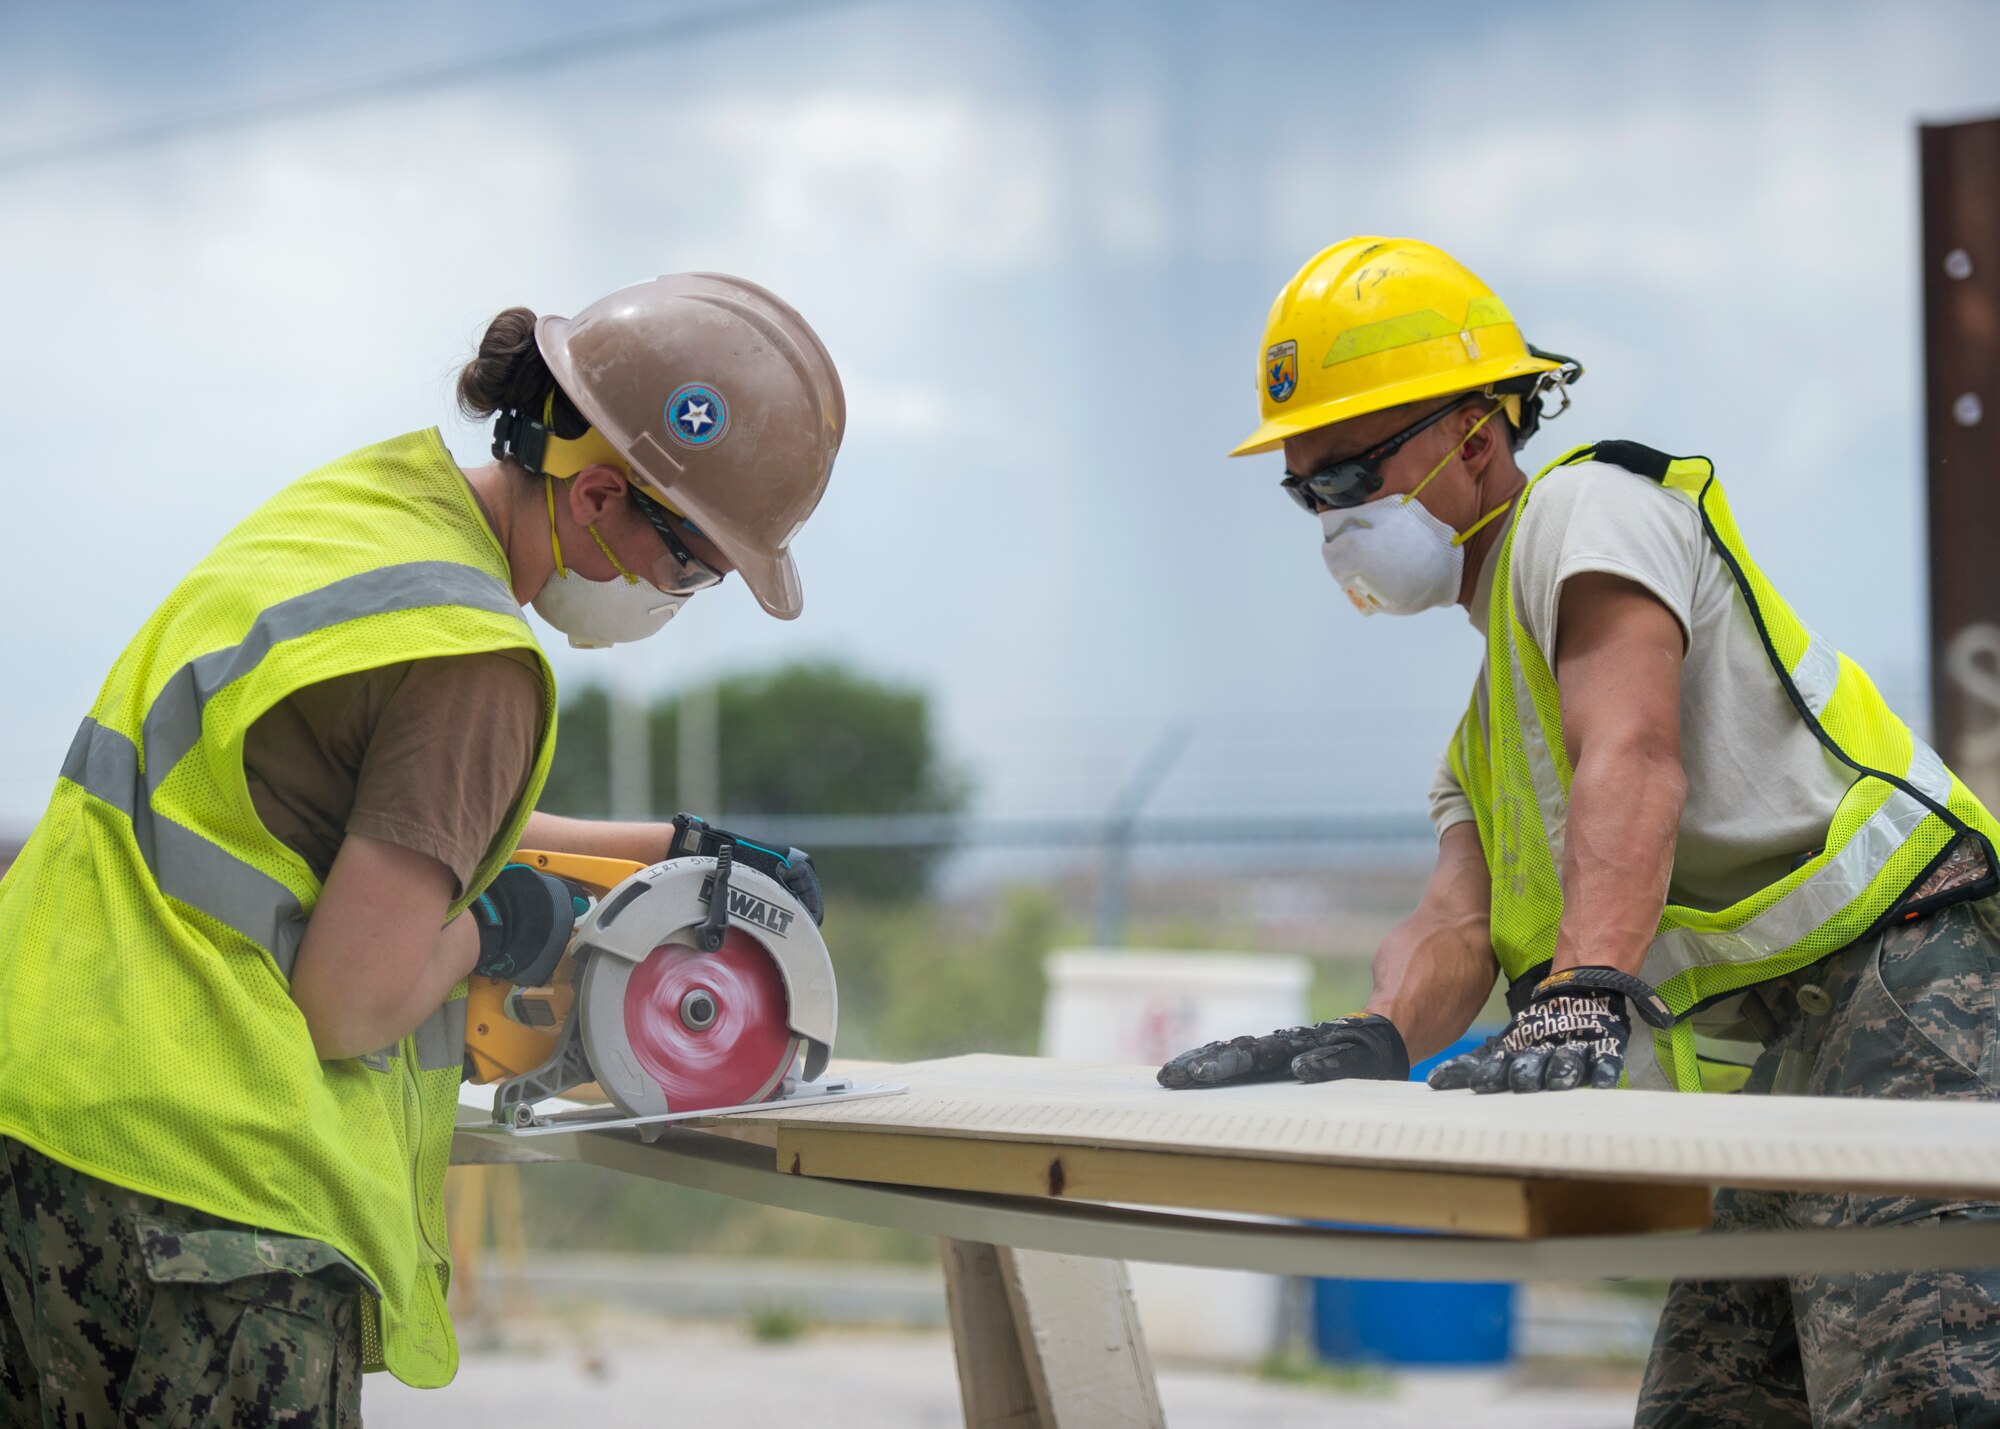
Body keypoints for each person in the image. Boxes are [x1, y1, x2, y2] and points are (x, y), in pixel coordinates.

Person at [1159, 236, 2000, 1423]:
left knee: (1918, 1394)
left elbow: (1632, 754)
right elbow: (1453, 920)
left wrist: (1584, 980)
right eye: (1308, 492)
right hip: (1785, 1052)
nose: (1332, 520)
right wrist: (1376, 1034)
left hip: (1910, 976)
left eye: (1349, 476)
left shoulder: (1586, 507)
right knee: (1705, 1408)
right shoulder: (1478, 740)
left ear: (1476, 435)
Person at [0, 272, 844, 1423]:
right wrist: (497, 925)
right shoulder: (474, 659)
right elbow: (352, 999)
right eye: (692, 567)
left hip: (42, 1126)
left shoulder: (358, 520)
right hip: (206, 1210)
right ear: (599, 494)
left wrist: (670, 846)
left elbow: (392, 813)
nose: (679, 593)